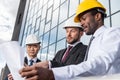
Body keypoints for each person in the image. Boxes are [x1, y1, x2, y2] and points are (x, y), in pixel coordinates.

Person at [19, 0, 120, 80]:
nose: (81, 23)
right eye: (80, 21)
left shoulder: (112, 33)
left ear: (97, 16)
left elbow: (99, 64)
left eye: (84, 18)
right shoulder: (93, 41)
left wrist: (52, 73)